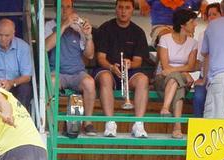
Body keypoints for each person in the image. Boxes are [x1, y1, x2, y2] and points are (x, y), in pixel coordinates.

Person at [93, 0, 150, 138]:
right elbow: (100, 58)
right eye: (120, 7)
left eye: (127, 8)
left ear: (132, 10)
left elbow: (138, 60)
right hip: (108, 70)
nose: (123, 11)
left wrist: (130, 64)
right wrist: (111, 67)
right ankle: (110, 123)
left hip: (129, 72)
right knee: (105, 78)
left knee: (143, 79)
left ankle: (138, 124)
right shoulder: (106, 28)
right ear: (115, 9)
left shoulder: (138, 32)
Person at [45, 0, 97, 136]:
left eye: (68, 7)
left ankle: (88, 122)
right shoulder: (49, 25)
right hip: (57, 73)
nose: (65, 10)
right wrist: (64, 25)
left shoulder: (79, 25)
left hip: (77, 73)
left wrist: (88, 36)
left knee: (90, 83)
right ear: (56, 9)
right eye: (61, 7)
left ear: (72, 9)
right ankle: (49, 122)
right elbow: (46, 47)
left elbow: (90, 55)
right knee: (50, 83)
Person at [153, 8, 199, 138]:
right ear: (182, 25)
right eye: (192, 22)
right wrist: (183, 73)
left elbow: (190, 66)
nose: (195, 24)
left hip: (179, 79)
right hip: (162, 79)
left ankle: (165, 108)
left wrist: (182, 73)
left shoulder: (193, 43)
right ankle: (177, 127)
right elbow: (165, 67)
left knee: (176, 79)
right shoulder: (165, 39)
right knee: (177, 83)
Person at [0, 19, 34, 114]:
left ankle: (19, 119)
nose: (3, 39)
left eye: (7, 35)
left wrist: (11, 83)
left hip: (16, 83)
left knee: (25, 88)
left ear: (13, 34)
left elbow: (27, 76)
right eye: (0, 35)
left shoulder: (23, 47)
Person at [192, 3, 221, 117]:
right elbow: (202, 59)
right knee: (198, 97)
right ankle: (199, 131)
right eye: (209, 15)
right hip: (205, 74)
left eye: (215, 14)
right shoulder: (202, 34)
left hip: (220, 76)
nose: (211, 17)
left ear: (222, 15)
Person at [139, 0, 204, 45]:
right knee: (167, 38)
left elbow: (200, 2)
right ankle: (162, 63)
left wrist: (205, 2)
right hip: (161, 26)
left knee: (185, 41)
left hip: (183, 27)